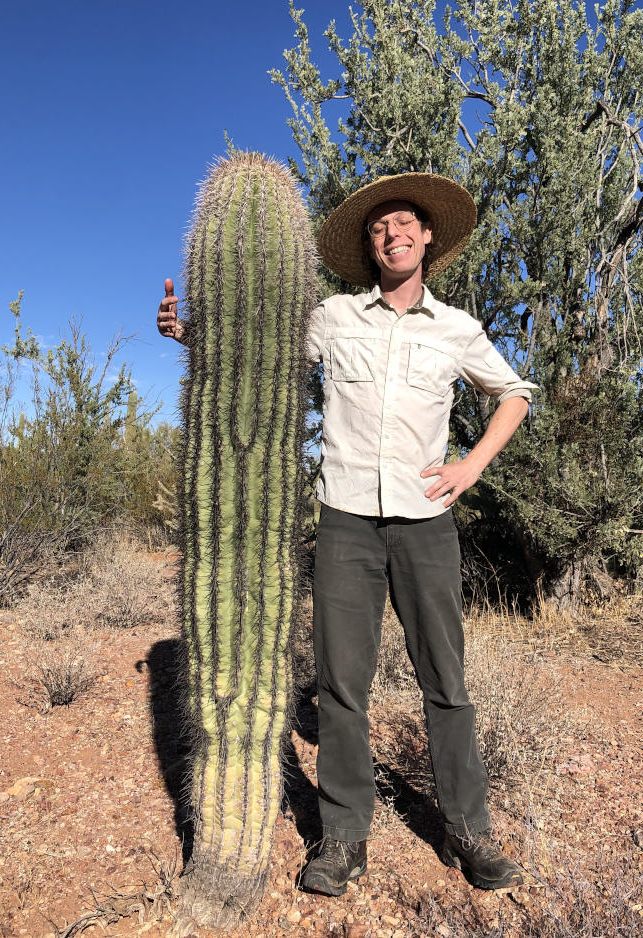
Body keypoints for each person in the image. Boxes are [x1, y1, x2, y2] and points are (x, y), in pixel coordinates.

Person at [157, 172, 537, 897]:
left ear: (427, 238)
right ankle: (342, 836)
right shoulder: (333, 317)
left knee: (446, 683)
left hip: (426, 524)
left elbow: (514, 393)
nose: (392, 235)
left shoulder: (455, 328)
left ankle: (468, 829)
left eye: (404, 225)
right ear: (370, 246)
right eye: (378, 228)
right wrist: (188, 333)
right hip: (347, 522)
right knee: (341, 686)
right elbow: (253, 353)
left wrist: (471, 467)